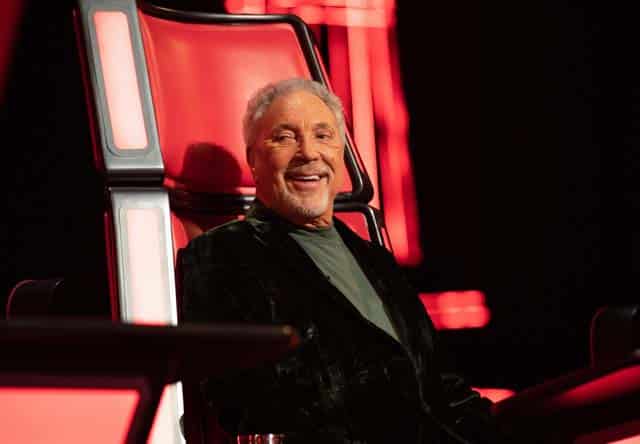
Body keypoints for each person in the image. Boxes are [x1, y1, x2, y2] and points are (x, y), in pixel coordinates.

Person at [180, 78, 501, 443]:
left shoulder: (377, 260)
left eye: (323, 135)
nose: (308, 152)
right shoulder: (221, 255)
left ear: (341, 154)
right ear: (253, 159)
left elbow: (446, 391)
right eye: (284, 137)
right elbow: (246, 407)